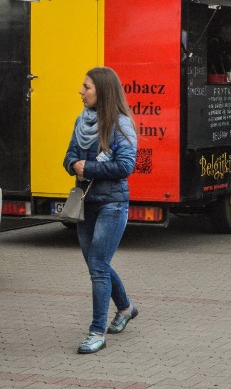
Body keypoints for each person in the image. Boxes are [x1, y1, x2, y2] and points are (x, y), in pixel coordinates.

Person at [63, 67, 138, 354]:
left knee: (97, 266)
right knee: (98, 264)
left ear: (103, 91)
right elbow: (69, 155)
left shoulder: (121, 125)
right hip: (86, 203)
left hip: (112, 203)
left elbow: (125, 167)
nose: (81, 92)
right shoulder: (81, 122)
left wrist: (88, 167)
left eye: (86, 87)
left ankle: (97, 331)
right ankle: (126, 308)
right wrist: (74, 165)